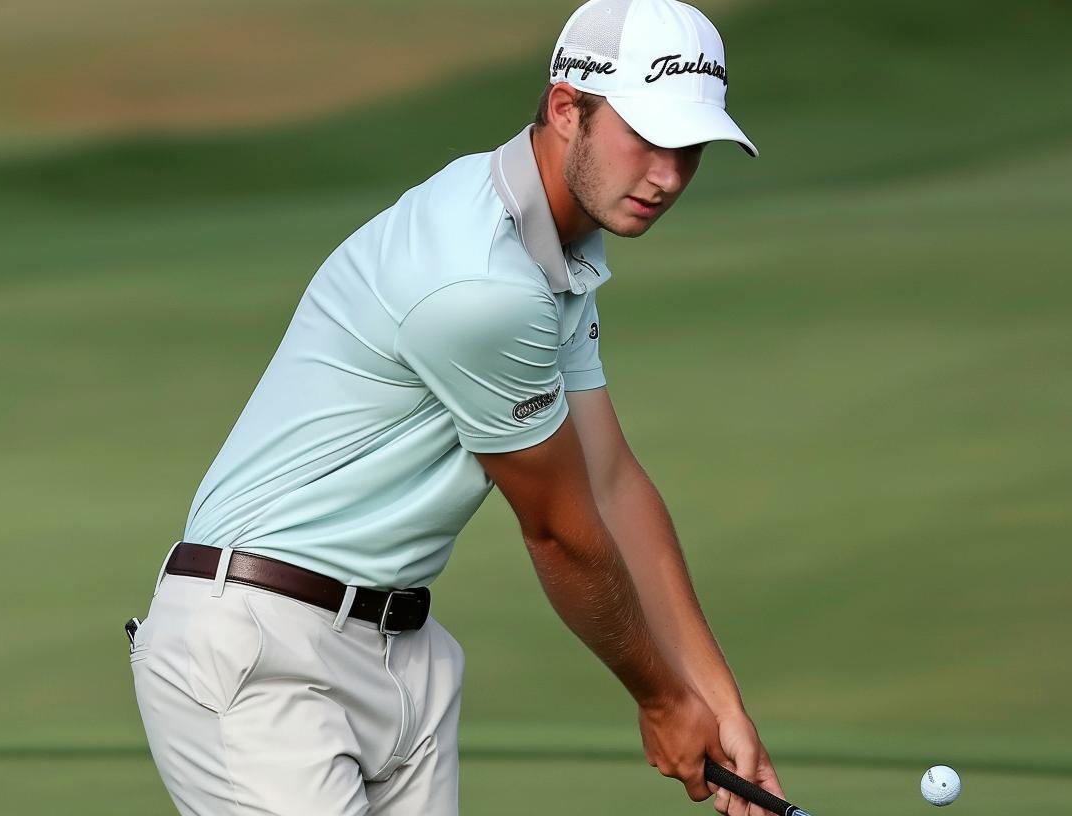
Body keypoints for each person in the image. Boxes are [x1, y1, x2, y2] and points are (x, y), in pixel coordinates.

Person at [127, 1, 783, 813]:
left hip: (399, 655)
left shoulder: (553, 240)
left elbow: (612, 483)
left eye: (690, 150)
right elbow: (561, 533)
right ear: (566, 107)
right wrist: (662, 701)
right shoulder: (481, 282)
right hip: (262, 650)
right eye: (647, 138)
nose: (669, 176)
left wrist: (719, 704)